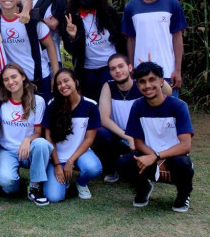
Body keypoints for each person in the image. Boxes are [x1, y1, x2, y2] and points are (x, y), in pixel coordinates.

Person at [118, 62, 194, 212]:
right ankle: (143, 188)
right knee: (123, 162)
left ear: (161, 81)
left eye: (152, 79)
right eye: (142, 82)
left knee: (183, 164)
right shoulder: (138, 106)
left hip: (174, 156)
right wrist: (153, 157)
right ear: (137, 85)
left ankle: (183, 195)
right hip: (149, 153)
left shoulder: (178, 106)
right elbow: (138, 142)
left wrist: (158, 156)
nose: (147, 85)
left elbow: (185, 145)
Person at [93, 53, 172, 183]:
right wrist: (128, 137)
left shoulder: (141, 84)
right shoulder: (108, 86)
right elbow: (104, 118)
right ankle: (111, 169)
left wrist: (154, 74)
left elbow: (168, 92)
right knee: (100, 133)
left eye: (120, 66)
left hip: (143, 135)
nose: (117, 71)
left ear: (130, 68)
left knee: (130, 163)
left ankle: (147, 167)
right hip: (121, 135)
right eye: (113, 68)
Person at [121, 0, 187, 97]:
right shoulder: (131, 7)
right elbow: (130, 39)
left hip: (167, 71)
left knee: (169, 113)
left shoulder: (172, 4)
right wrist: (130, 67)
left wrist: (177, 70)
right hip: (141, 71)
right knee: (144, 113)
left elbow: (177, 37)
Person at [0, 63, 53, 206]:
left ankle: (35, 186)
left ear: (23, 77)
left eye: (14, 77)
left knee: (42, 144)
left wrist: (27, 139)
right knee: (8, 185)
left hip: (29, 148)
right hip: (8, 150)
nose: (10, 82)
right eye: (6, 79)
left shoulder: (37, 101)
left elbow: (38, 132)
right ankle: (18, 182)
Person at [0, 0, 59, 101]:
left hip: (39, 77)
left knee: (42, 117)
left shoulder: (31, 19)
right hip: (13, 82)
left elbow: (50, 46)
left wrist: (56, 75)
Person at [42, 68, 102, 202]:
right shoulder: (52, 105)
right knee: (54, 197)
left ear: (76, 81)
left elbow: (89, 139)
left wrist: (71, 161)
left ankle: (81, 183)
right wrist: (57, 165)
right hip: (57, 156)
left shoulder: (90, 105)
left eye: (66, 81)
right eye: (59, 83)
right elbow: (49, 138)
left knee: (93, 168)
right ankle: (61, 179)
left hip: (80, 153)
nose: (63, 85)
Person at [62, 0, 125, 102]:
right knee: (92, 103)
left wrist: (125, 62)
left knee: (111, 101)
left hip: (110, 66)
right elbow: (70, 50)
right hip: (87, 69)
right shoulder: (71, 16)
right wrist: (73, 37)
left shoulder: (107, 12)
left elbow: (120, 39)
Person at [30, 0, 67, 73]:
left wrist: (33, 18)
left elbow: (54, 24)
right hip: (32, 58)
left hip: (53, 59)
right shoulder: (28, 1)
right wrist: (44, 20)